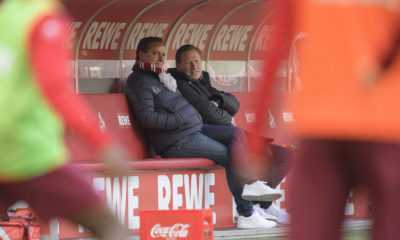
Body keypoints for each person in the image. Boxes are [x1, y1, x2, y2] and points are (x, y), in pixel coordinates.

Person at [254, 0, 400, 240]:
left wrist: (254, 138)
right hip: (384, 124)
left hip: (321, 123)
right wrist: (380, 64)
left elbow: (274, 45)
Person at [0, 1, 130, 239]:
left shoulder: (7, 14)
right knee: (110, 227)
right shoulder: (44, 18)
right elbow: (56, 90)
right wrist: (102, 143)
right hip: (28, 151)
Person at [125, 36, 283, 229]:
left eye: (163, 54)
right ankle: (246, 214)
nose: (160, 58)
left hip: (195, 129)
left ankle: (251, 183)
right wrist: (179, 120)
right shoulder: (139, 81)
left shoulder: (161, 76)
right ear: (142, 55)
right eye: (154, 53)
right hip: (177, 140)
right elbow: (147, 119)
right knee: (230, 155)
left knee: (236, 133)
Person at [168, 44, 293, 224]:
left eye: (196, 61)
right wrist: (223, 112)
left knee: (286, 155)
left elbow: (234, 102)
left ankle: (262, 205)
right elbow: (207, 113)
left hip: (226, 132)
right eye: (188, 63)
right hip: (206, 134)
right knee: (238, 141)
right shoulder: (180, 84)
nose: (194, 66)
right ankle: (249, 208)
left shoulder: (203, 80)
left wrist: (218, 100)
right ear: (179, 66)